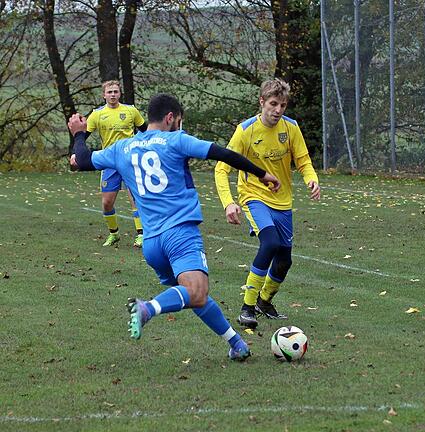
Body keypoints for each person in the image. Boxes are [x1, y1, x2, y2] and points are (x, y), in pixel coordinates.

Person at [67, 93, 281, 361]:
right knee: (194, 291)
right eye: (178, 121)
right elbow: (223, 153)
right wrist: (263, 174)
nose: (179, 126)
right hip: (180, 234)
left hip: (152, 243)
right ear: (170, 118)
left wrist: (79, 134)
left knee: (193, 296)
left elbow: (81, 161)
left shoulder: (123, 148)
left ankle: (236, 344)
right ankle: (148, 308)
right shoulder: (176, 140)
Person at [214, 78, 320, 328]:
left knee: (284, 260)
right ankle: (246, 308)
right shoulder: (245, 130)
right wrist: (228, 202)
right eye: (273, 104)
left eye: (283, 105)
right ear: (262, 102)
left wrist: (311, 179)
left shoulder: (291, 128)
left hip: (282, 202)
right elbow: (221, 169)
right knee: (270, 242)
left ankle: (264, 302)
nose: (278, 110)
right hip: (254, 196)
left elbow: (303, 161)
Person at [84, 81, 148, 247]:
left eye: (115, 92)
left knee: (135, 198)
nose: (113, 95)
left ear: (120, 94)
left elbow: (145, 131)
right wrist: (77, 154)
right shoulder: (97, 114)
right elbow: (83, 136)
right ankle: (114, 234)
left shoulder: (130, 111)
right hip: (109, 162)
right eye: (109, 92)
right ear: (104, 95)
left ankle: (141, 234)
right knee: (107, 202)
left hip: (129, 161)